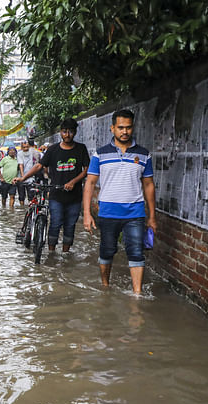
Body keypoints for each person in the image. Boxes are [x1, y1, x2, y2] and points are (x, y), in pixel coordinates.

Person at [83, 109, 156, 295]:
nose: (125, 131)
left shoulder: (144, 155)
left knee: (136, 252)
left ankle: (137, 295)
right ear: (112, 128)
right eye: (121, 128)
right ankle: (105, 286)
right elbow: (90, 183)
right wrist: (86, 214)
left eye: (128, 128)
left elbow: (148, 185)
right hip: (108, 212)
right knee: (107, 251)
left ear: (133, 128)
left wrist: (152, 216)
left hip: (135, 213)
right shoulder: (100, 154)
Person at [19, 118, 90, 253]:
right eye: (64, 132)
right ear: (60, 133)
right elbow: (39, 165)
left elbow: (87, 169)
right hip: (56, 195)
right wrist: (23, 177)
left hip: (75, 197)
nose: (67, 134)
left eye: (70, 132)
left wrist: (73, 182)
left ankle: (65, 254)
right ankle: (51, 254)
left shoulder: (81, 149)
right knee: (55, 223)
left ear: (75, 132)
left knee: (70, 226)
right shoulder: (52, 150)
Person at [16, 138, 40, 205]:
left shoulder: (32, 153)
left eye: (27, 147)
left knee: (31, 196)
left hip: (31, 178)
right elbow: (21, 165)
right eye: (24, 147)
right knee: (21, 196)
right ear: (21, 147)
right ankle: (22, 209)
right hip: (21, 177)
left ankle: (31, 209)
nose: (26, 148)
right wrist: (23, 176)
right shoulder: (19, 154)